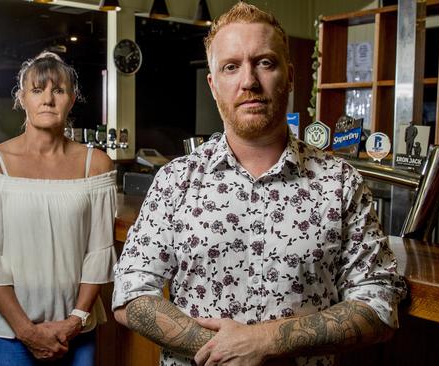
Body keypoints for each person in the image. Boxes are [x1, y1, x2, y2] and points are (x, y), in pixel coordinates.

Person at [112, 3, 406, 366]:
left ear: (291, 75)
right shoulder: (176, 180)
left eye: (265, 62)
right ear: (213, 83)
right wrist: (223, 351)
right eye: (231, 67)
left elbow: (379, 303)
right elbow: (131, 294)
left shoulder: (340, 182)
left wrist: (267, 341)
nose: (248, 81)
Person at [0, 51, 117, 365]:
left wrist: (75, 320)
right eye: (37, 90)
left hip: (75, 329)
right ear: (21, 99)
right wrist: (26, 330)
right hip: (5, 331)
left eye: (58, 90)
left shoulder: (95, 164)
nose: (48, 99)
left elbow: (98, 252)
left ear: (72, 99)